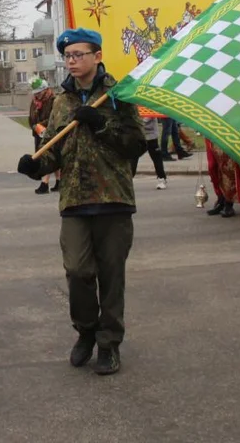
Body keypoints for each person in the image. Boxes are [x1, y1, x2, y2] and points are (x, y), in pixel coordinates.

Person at [17, 28, 146, 375]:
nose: (71, 61)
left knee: (111, 276)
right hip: (74, 200)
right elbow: (56, 152)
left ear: (98, 56)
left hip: (113, 198)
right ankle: (86, 332)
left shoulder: (119, 95)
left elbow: (136, 144)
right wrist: (36, 167)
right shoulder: (62, 101)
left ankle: (109, 343)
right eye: (68, 56)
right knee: (77, 271)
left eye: (78, 54)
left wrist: (101, 124)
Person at [204, 140, 240, 218]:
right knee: (213, 169)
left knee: (228, 171)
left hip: (226, 138)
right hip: (211, 136)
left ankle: (228, 203)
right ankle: (220, 199)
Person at [28, 77, 57, 194]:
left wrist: (40, 124)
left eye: (39, 92)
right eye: (35, 93)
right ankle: (59, 181)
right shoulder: (34, 101)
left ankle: (44, 184)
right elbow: (30, 117)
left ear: (45, 90)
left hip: (49, 132)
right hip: (38, 133)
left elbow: (53, 117)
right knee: (52, 157)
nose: (37, 95)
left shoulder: (53, 100)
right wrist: (34, 126)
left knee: (47, 156)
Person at [136, 117, 168, 189]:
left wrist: (137, 122)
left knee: (156, 159)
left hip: (151, 137)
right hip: (139, 136)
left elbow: (146, 119)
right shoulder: (137, 107)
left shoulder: (149, 109)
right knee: (133, 158)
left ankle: (161, 178)